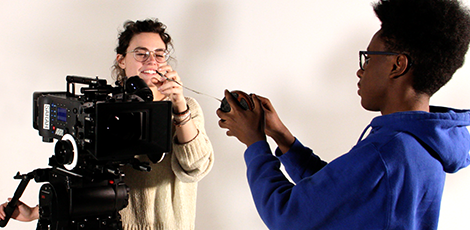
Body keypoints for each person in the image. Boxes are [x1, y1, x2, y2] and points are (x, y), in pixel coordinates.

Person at [217, 0, 470, 229]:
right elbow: (336, 195)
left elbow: (288, 217)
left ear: (397, 65)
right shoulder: (421, 145)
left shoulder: (386, 152)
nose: (361, 71)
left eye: (369, 59)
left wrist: (255, 143)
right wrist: (283, 137)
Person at [0, 19, 214, 230]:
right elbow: (85, 180)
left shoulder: (186, 108)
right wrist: (36, 212)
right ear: (121, 60)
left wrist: (179, 105)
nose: (152, 61)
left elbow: (194, 169)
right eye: (141, 53)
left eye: (159, 54)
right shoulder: (103, 108)